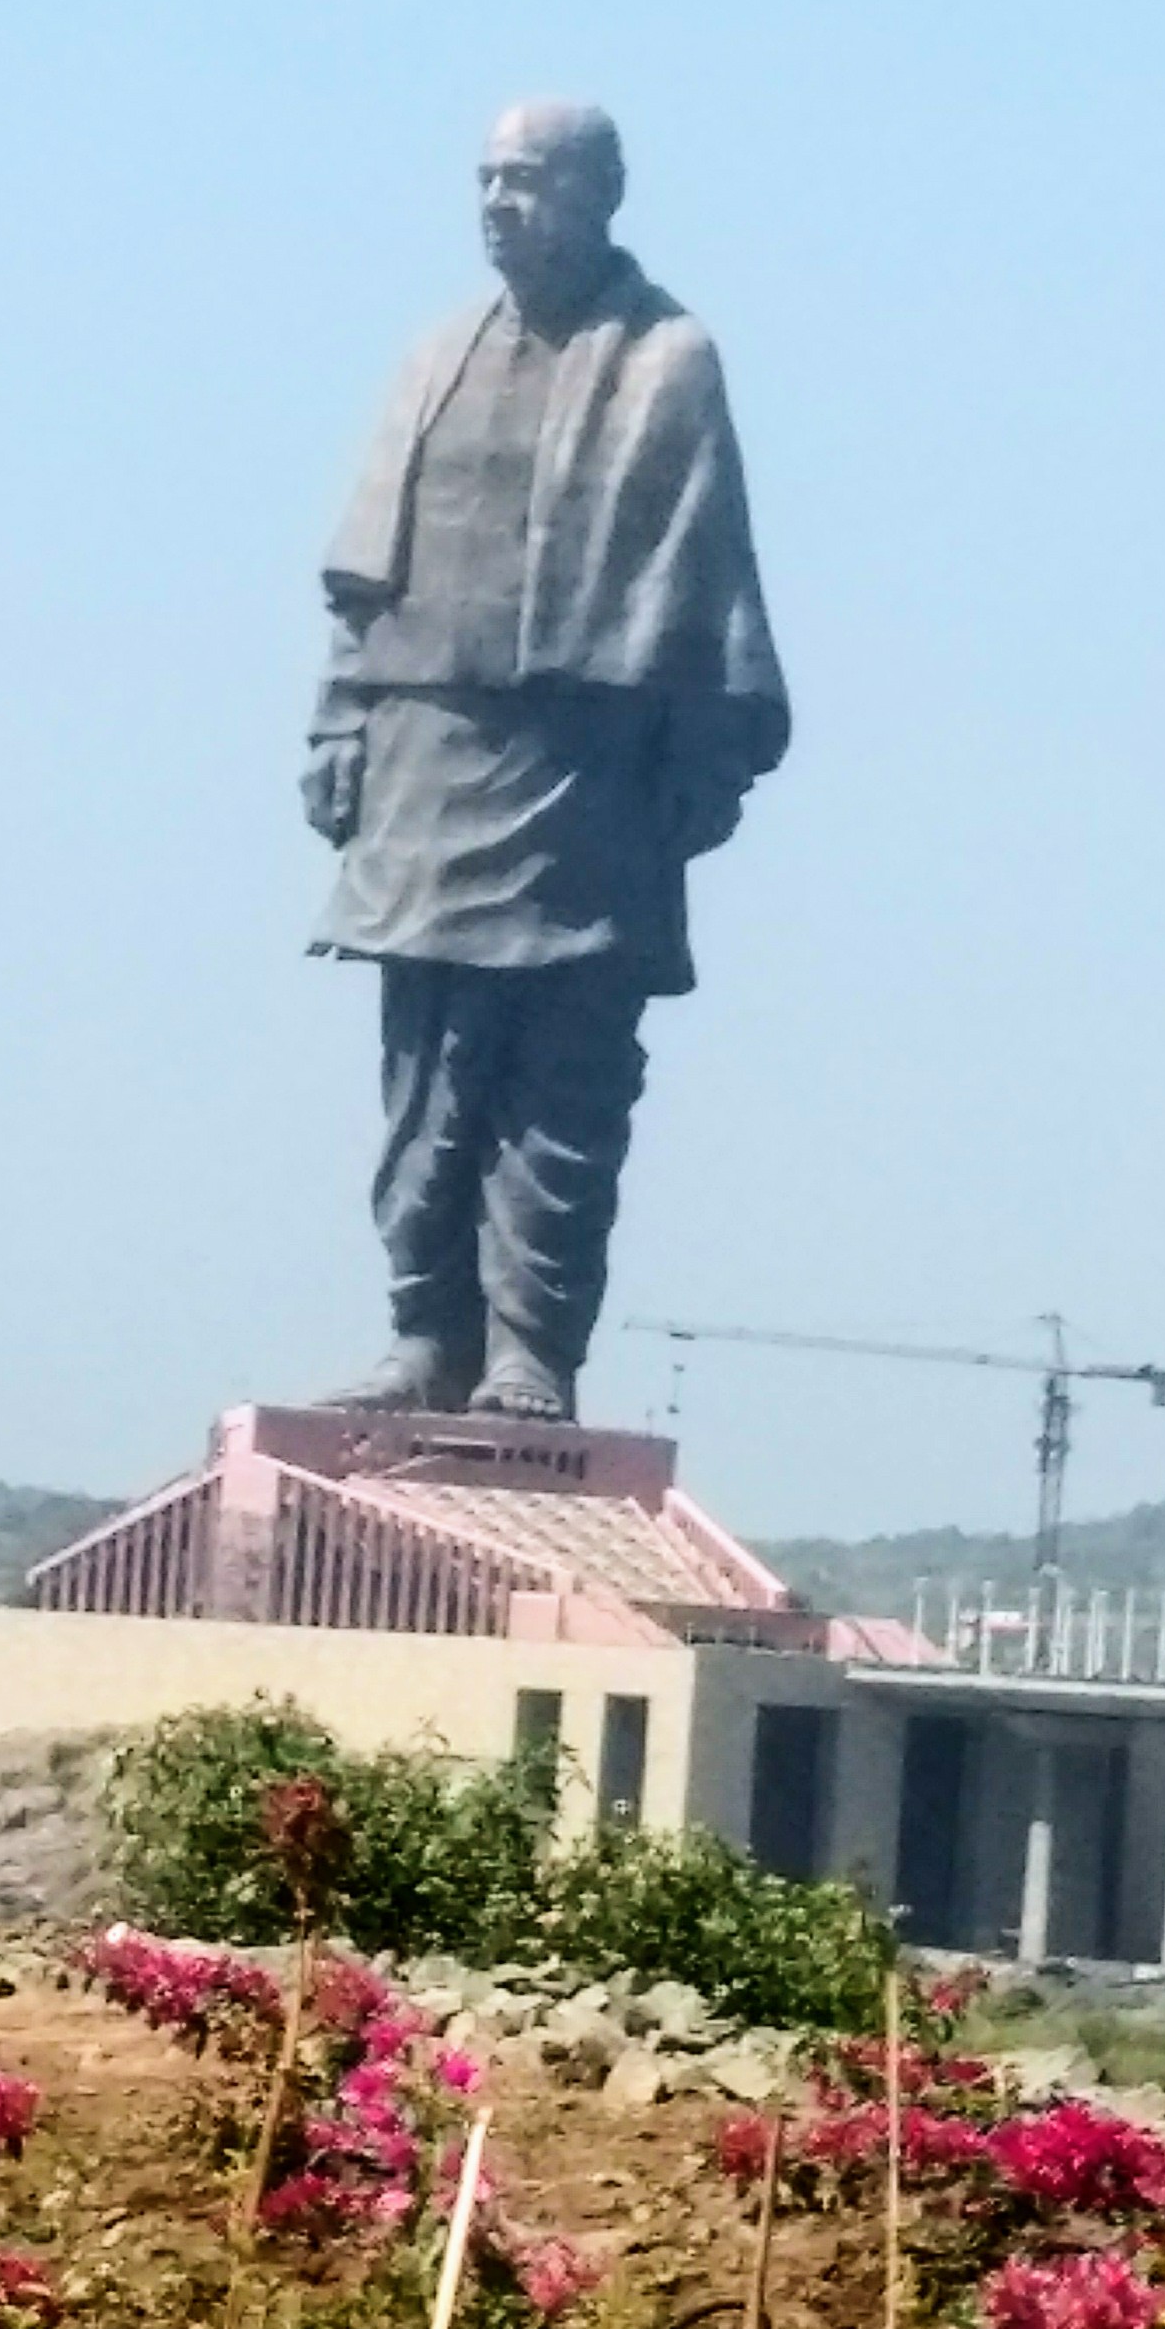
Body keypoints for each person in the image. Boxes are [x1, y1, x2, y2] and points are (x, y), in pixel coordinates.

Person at [304, 101, 789, 1420]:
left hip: (588, 768)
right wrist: (342, 715)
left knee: (565, 1079)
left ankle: (530, 1349)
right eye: (486, 179)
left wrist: (698, 764)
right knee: (429, 1073)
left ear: (598, 195)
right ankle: (425, 1333)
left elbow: (708, 574)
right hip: (425, 748)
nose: (500, 202)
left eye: (529, 179)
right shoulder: (432, 357)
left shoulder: (669, 358)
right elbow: (365, 585)